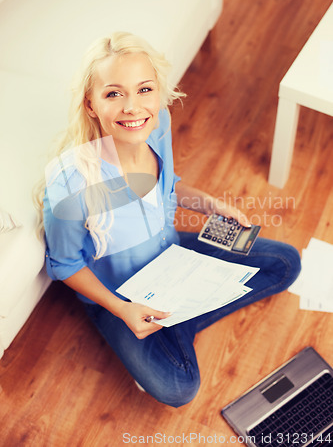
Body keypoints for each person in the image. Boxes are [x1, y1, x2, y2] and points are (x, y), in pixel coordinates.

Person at [38, 31, 301, 408]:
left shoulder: (156, 124)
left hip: (172, 255)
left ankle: (181, 317)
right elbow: (64, 265)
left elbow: (167, 187)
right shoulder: (70, 183)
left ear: (158, 93)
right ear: (91, 105)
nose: (133, 107)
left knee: (286, 263)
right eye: (114, 93)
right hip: (122, 296)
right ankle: (180, 315)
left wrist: (211, 206)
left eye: (144, 89)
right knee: (179, 386)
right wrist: (122, 309)